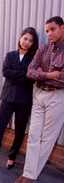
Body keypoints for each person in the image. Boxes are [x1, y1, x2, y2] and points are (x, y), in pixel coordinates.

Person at [15, 16, 64, 183]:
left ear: (62, 28)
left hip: (57, 97)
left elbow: (63, 78)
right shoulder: (43, 49)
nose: (49, 33)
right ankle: (30, 173)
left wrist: (41, 75)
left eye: (52, 29)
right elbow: (30, 72)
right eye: (47, 31)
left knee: (48, 138)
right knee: (34, 135)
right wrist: (49, 75)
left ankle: (29, 175)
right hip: (39, 94)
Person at [0, 27, 39, 171]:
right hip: (8, 98)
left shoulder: (34, 59)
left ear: (33, 43)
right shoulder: (10, 55)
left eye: (31, 41)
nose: (27, 42)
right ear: (20, 38)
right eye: (25, 38)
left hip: (24, 100)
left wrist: (20, 75)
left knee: (20, 130)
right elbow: (5, 72)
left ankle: (12, 157)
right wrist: (24, 74)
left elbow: (32, 79)